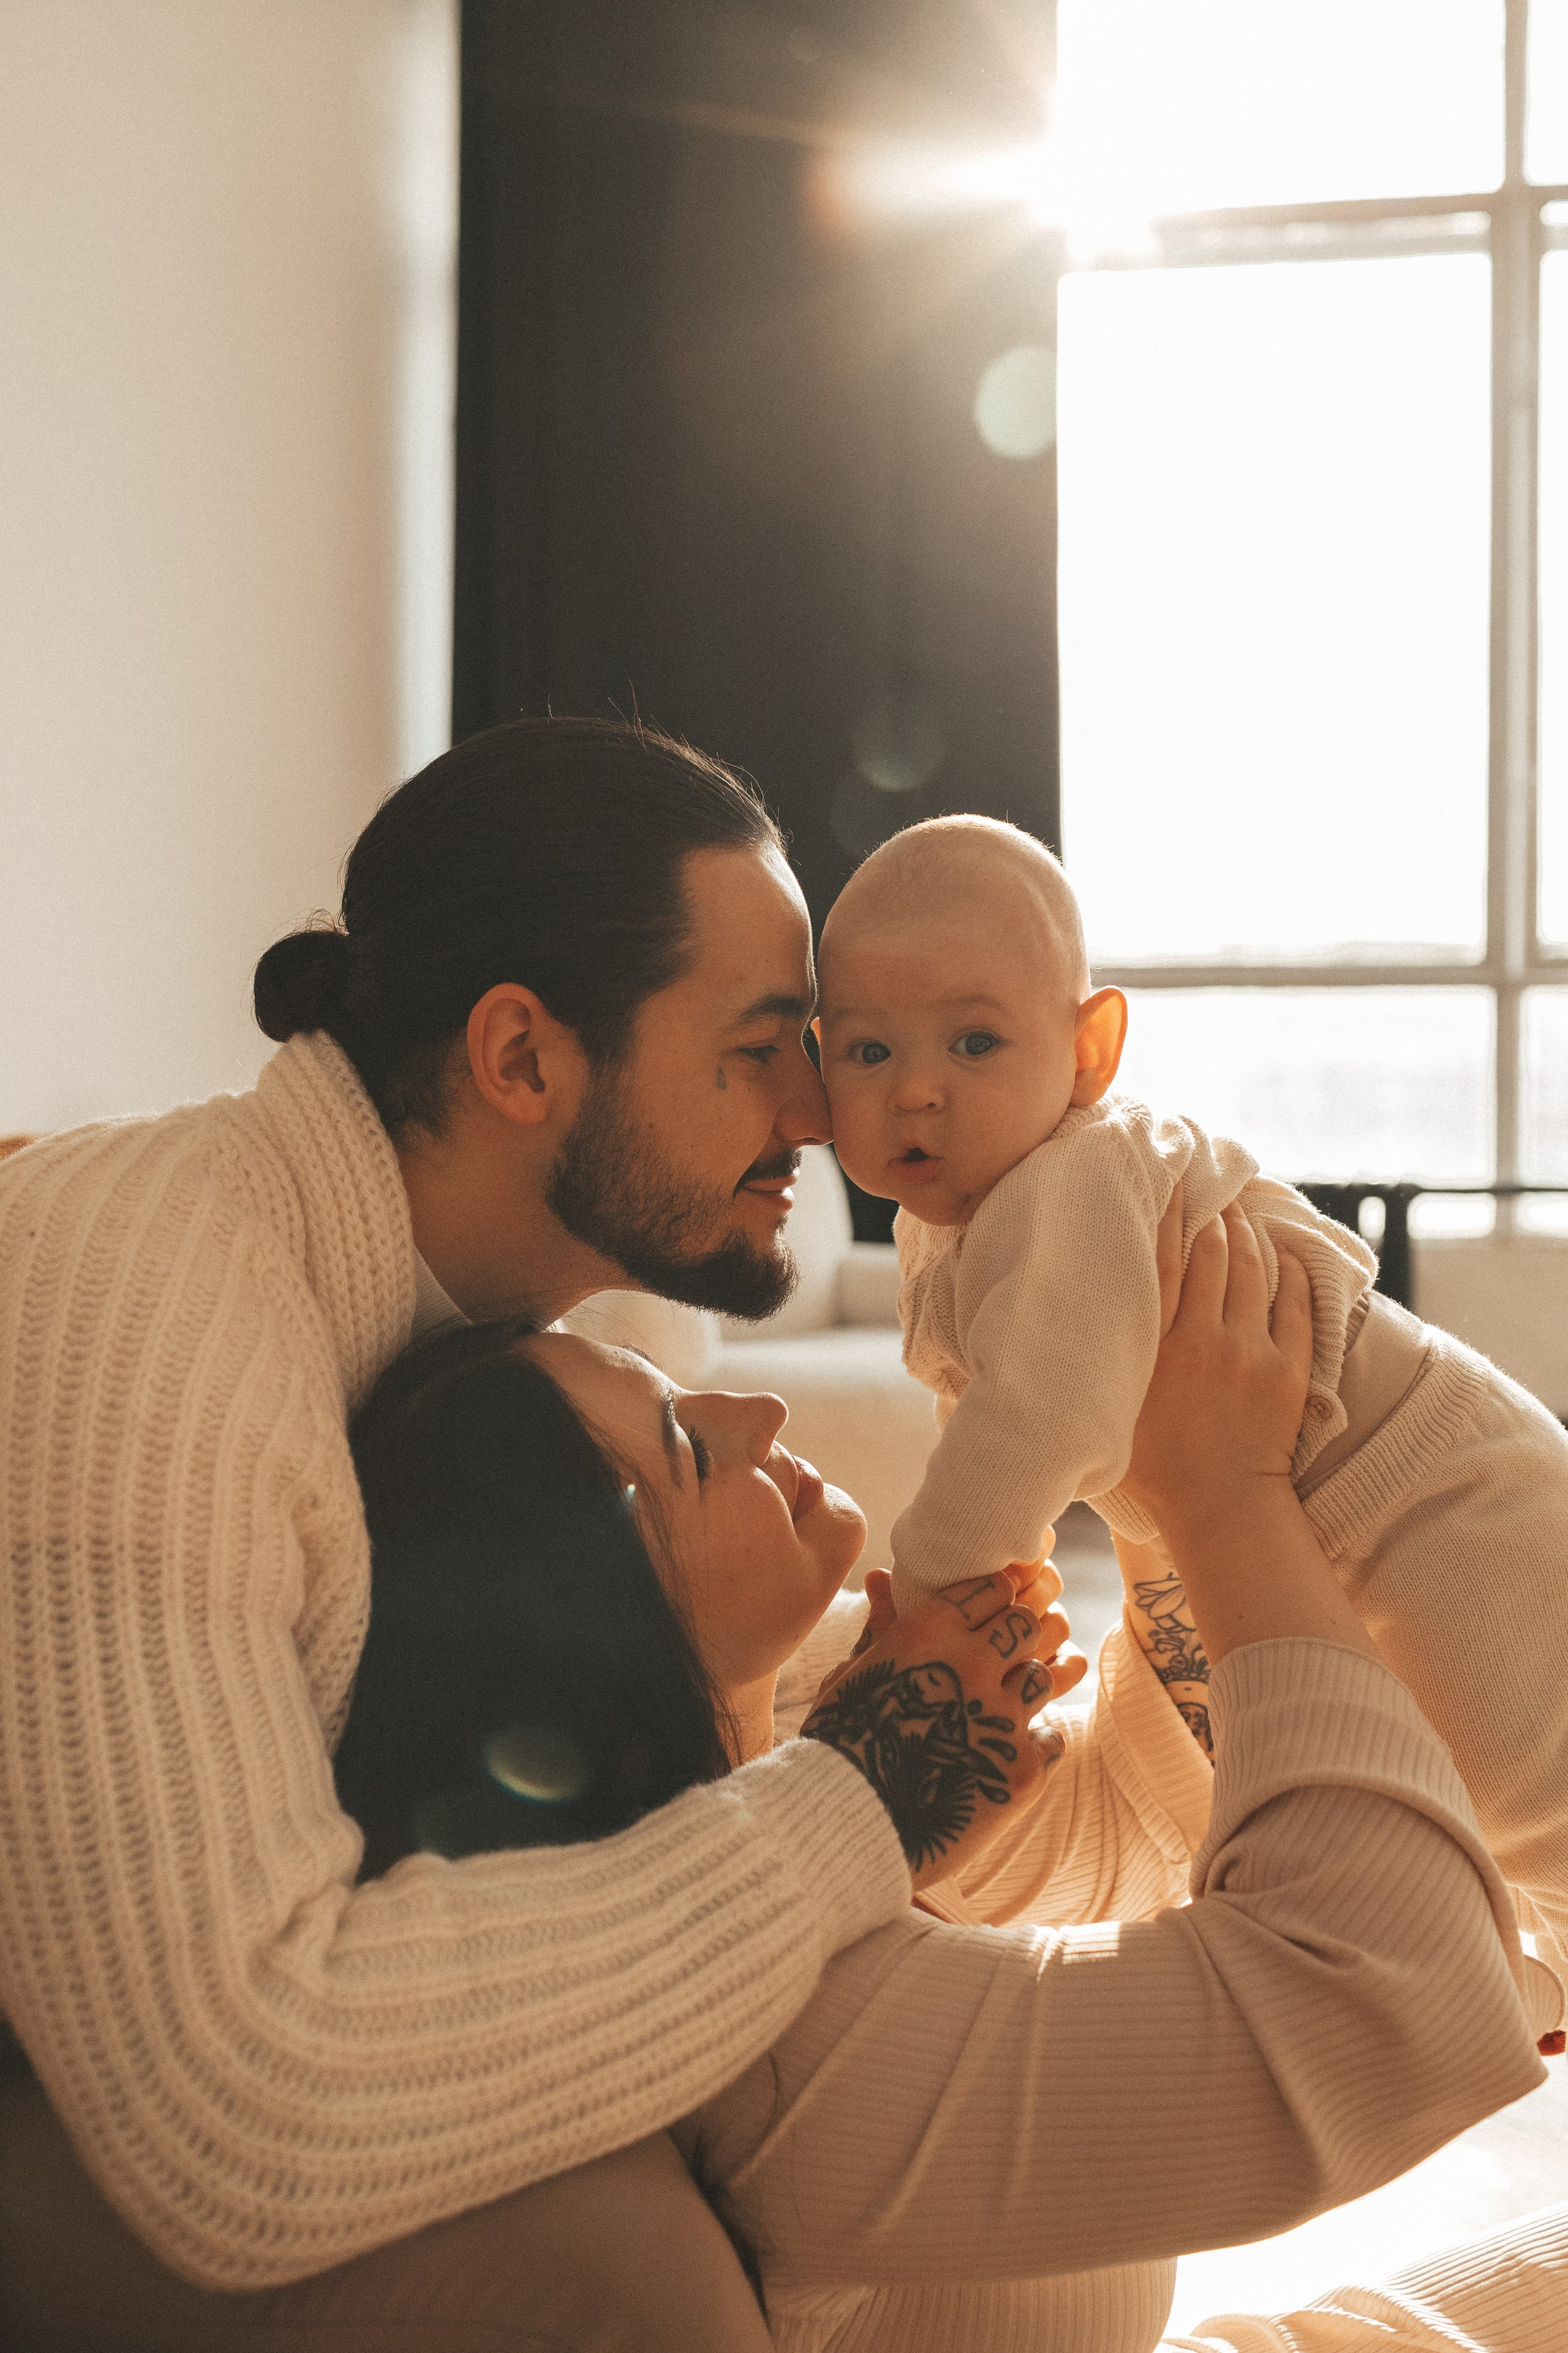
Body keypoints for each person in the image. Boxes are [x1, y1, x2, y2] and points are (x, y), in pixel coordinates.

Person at [0, 719, 1072, 2351]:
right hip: (85, 2093)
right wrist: (862, 1788)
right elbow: (232, 2110)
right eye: (760, 1047)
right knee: (631, 2284)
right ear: (520, 1059)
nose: (821, 1106)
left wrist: (1175, 1494)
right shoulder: (141, 1294)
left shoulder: (457, 1341)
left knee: (1013, 2244)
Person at [328, 1201, 1559, 2349]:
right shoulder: (771, 2047)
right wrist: (1226, 1497)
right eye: (686, 1448)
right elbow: (1394, 1995)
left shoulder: (787, 1755)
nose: (756, 1407)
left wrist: (1143, 1485)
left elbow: (1131, 1829)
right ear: (593, 1637)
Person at [816, 810, 1568, 2026]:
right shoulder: (948, 1223)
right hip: (1351, 1515)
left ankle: (1531, 1959)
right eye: (866, 1051)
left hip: (1439, 1492)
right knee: (1462, 1774)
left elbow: (1038, 1414)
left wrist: (933, 1596)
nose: (915, 1089)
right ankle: (1519, 1966)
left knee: (1529, 1779)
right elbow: (996, 1398)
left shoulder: (1075, 1176)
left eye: (973, 1040)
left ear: (1089, 1048)